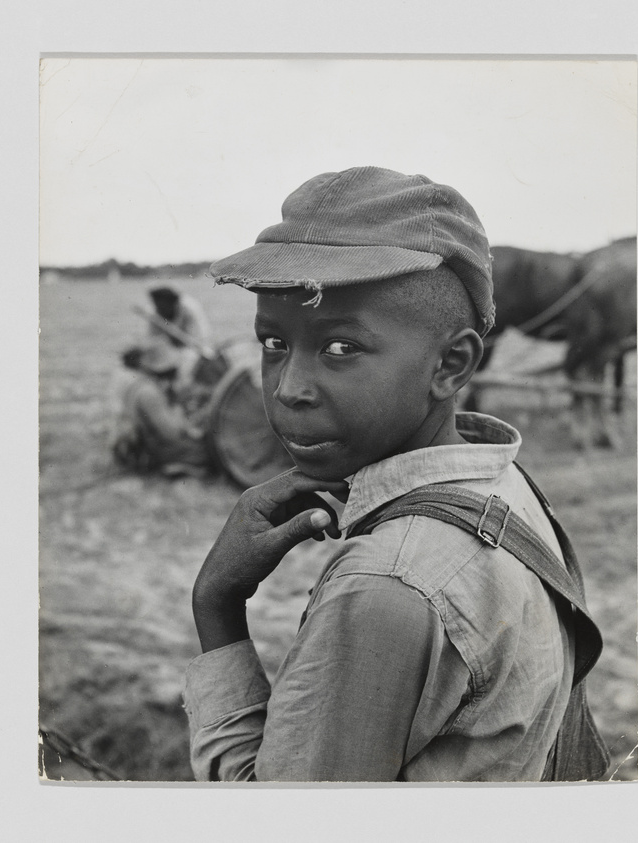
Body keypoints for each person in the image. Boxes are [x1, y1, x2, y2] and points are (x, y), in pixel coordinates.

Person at [183, 166, 605, 782]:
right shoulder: (504, 485)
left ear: (451, 364)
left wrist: (216, 606)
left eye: (339, 349)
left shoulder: (386, 584)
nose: (289, 388)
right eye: (273, 344)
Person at [112, 341, 210, 477]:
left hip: (144, 443)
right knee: (207, 452)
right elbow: (171, 433)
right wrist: (179, 411)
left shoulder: (143, 385)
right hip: (145, 452)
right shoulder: (149, 392)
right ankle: (176, 465)